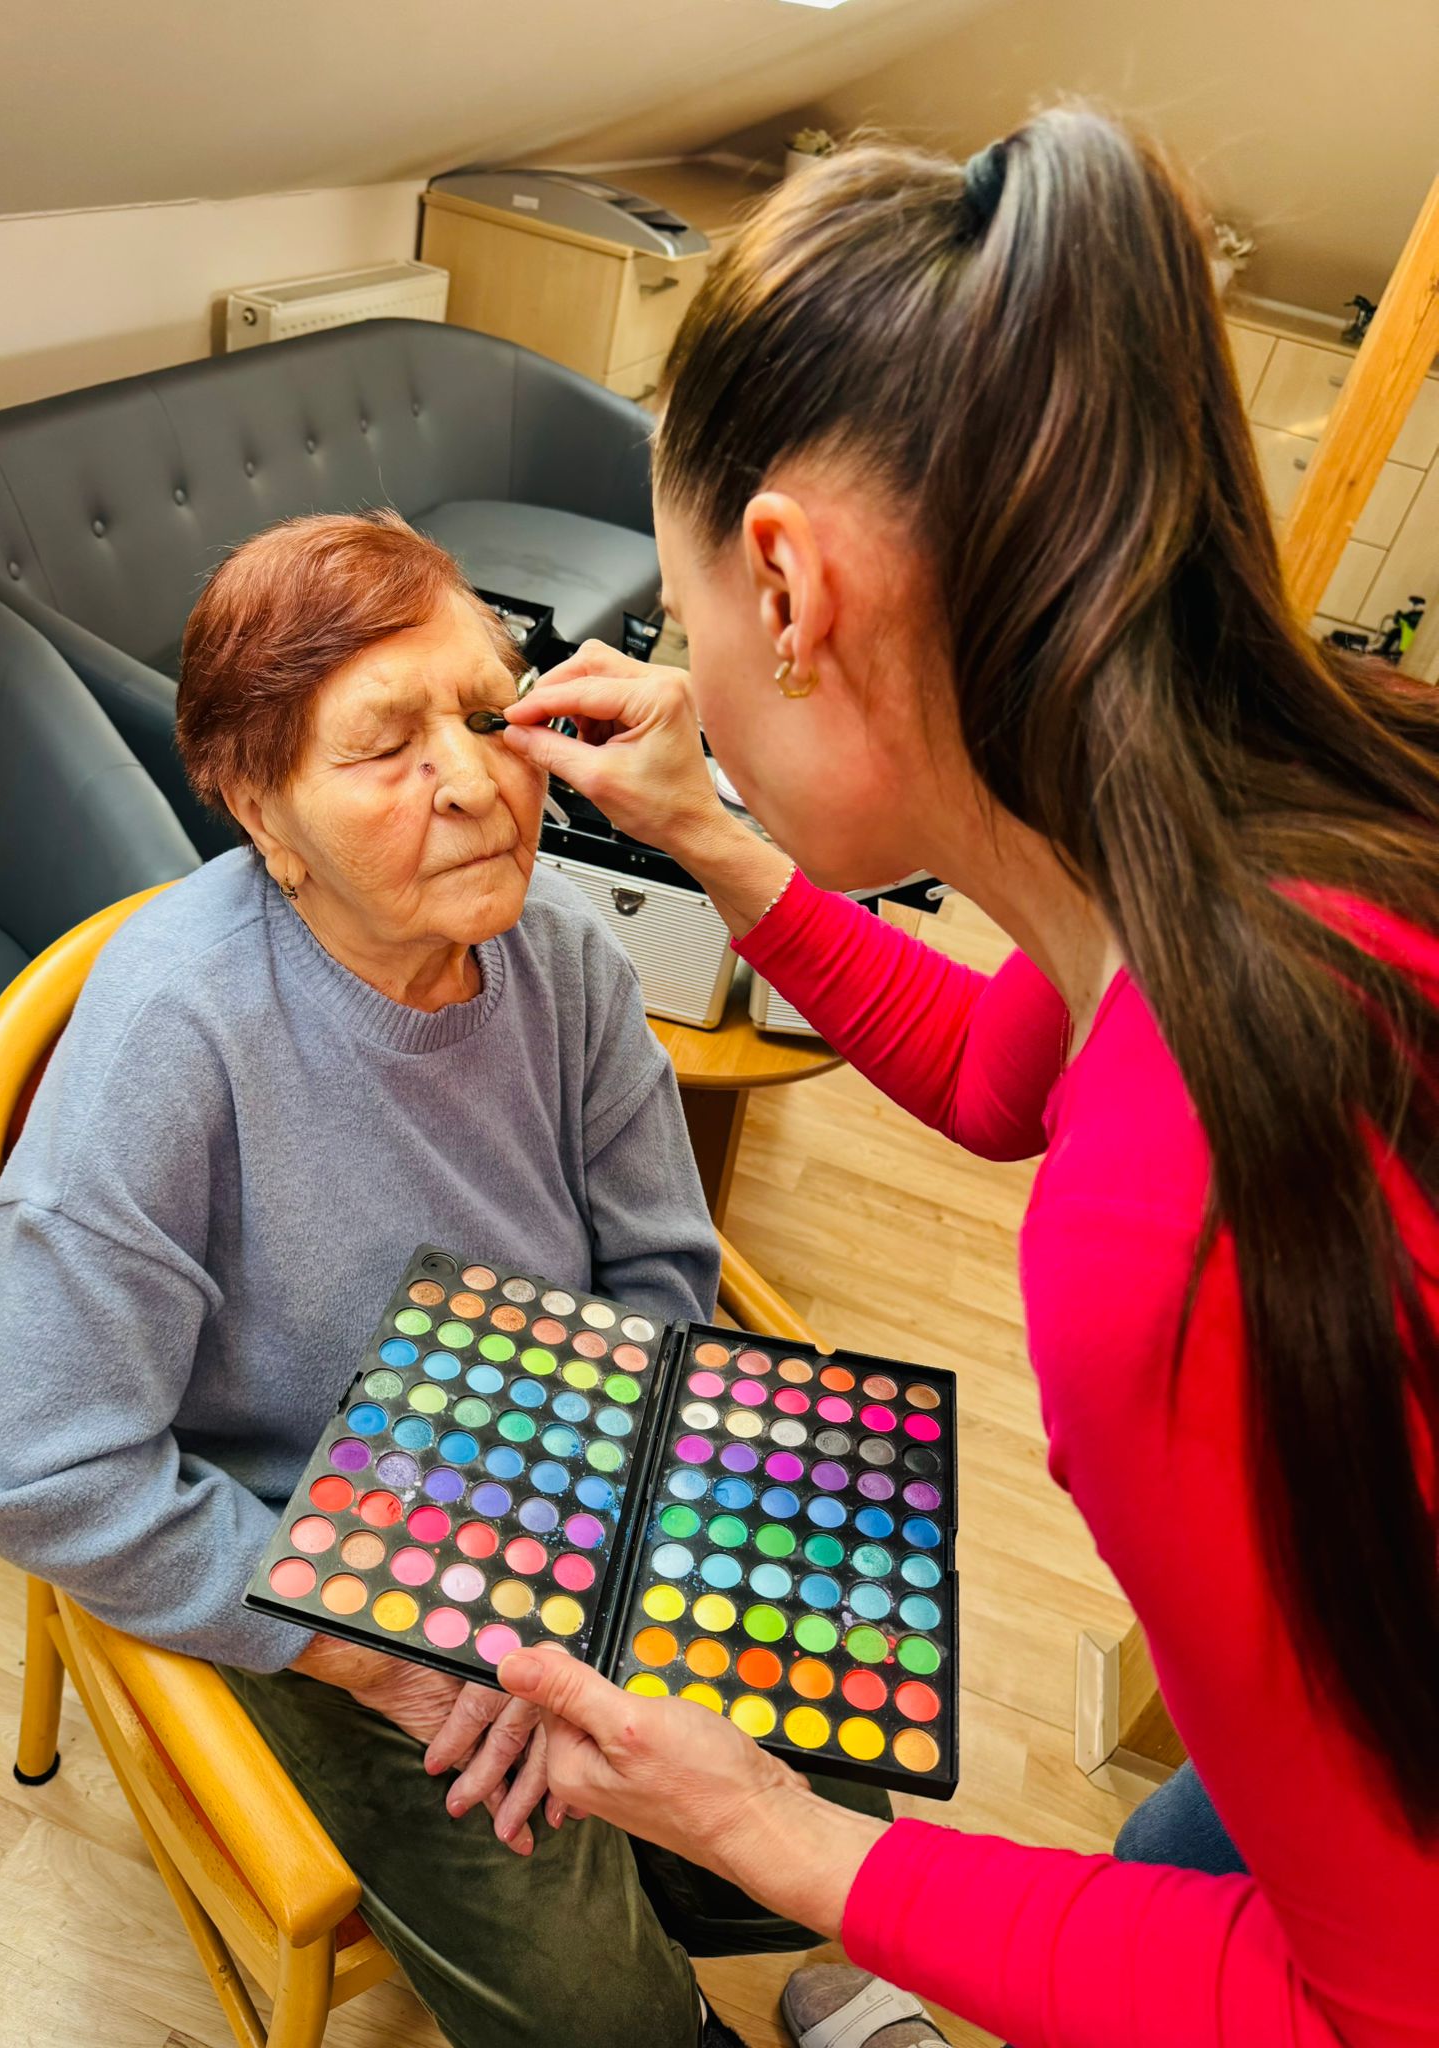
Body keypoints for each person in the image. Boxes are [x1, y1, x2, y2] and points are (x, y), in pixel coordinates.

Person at [485, 110, 1439, 2048]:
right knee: (1172, 1848)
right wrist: (714, 827)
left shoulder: (1168, 1241)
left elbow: (1381, 2006)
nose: (688, 673)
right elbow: (1002, 1076)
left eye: (683, 608)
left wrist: (773, 1831)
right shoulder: (1245, 809)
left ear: (786, 584)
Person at [0, 510, 888, 2048]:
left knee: (831, 1809)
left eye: (488, 714)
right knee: (598, 2009)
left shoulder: (561, 951)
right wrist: (381, 1648)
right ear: (265, 810)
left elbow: (658, 1264)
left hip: (563, 1475)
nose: (475, 782)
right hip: (303, 1549)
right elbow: (34, 1464)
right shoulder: (176, 1033)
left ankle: (752, 1942)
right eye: (385, 748)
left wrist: (579, 1558)